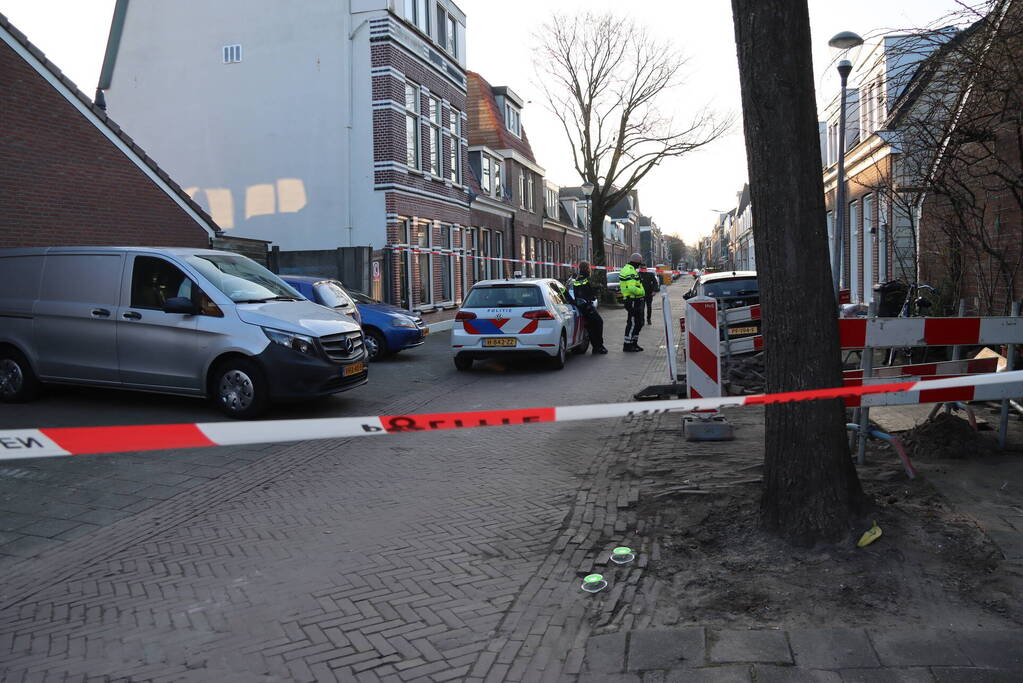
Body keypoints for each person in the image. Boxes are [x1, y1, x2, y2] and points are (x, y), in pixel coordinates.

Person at [568, 262, 607, 354]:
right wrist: (596, 290)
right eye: (588, 267)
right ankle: (598, 347)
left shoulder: (578, 278)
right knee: (598, 323)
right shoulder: (584, 278)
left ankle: (596, 347)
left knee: (591, 327)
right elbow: (585, 293)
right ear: (587, 268)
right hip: (586, 307)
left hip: (583, 306)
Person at [619, 253, 647, 352]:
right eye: (640, 262)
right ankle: (627, 345)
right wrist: (642, 292)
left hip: (635, 300)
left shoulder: (630, 269)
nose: (640, 265)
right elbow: (631, 288)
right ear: (637, 261)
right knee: (633, 323)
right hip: (632, 300)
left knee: (638, 323)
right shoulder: (630, 271)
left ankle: (634, 343)